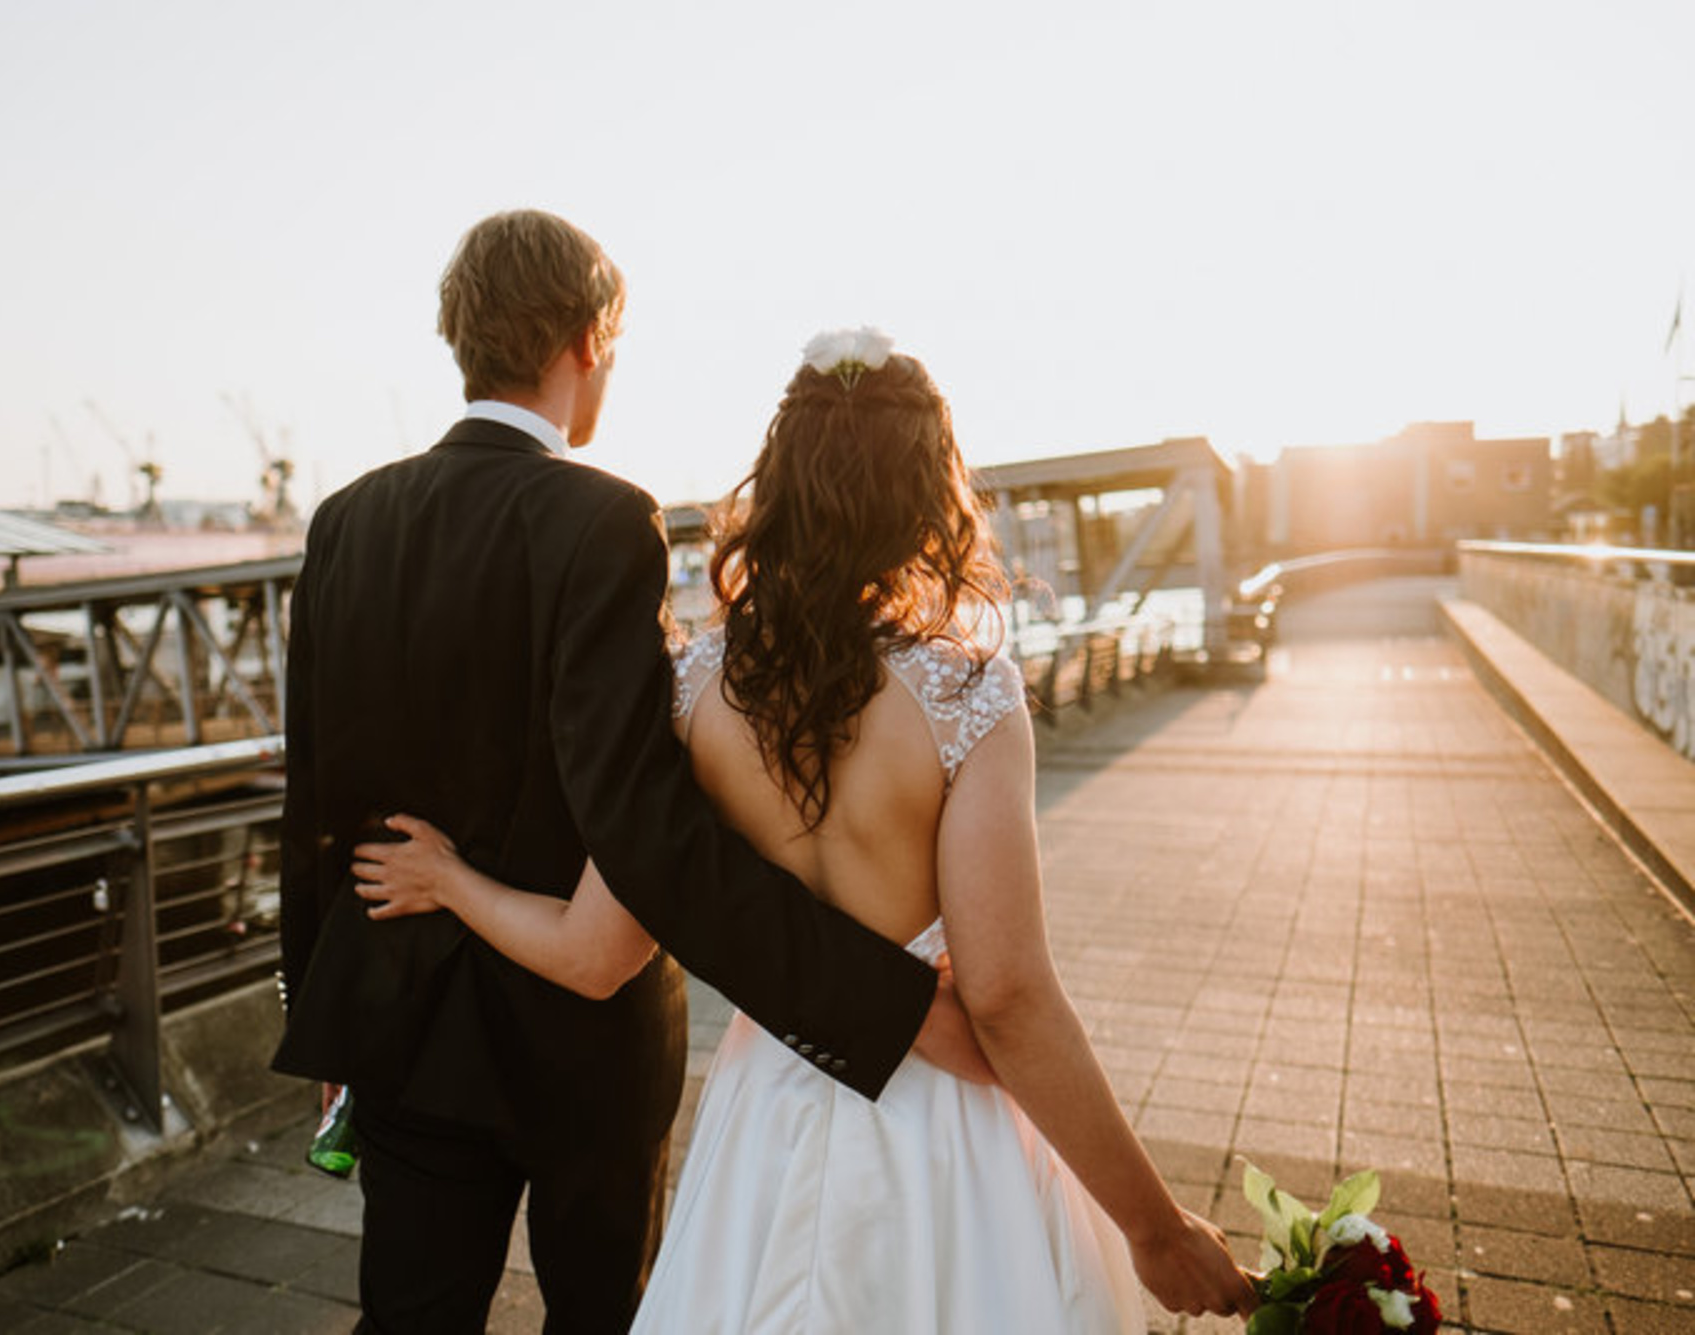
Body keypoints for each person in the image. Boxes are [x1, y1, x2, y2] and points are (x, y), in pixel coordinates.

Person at [354, 329, 1258, 1331]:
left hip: (766, 1119)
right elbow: (1005, 999)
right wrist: (1151, 1226)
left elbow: (594, 954)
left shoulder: (691, 690)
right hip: (945, 1135)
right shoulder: (968, 694)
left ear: (777, 483)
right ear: (930, 492)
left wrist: (447, 881)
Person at [273, 215, 982, 1334]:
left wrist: (319, 1011)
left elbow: (309, 789)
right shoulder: (601, 521)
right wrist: (880, 1006)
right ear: (589, 340)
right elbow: (647, 832)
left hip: (398, 1022)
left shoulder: (345, 522)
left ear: (461, 336)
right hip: (579, 1053)